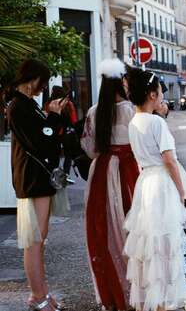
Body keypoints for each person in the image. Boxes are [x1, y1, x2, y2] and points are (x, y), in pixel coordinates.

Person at [123, 67, 186, 311]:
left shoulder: (134, 122)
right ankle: (162, 304)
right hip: (161, 183)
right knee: (164, 244)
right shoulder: (156, 123)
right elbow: (169, 160)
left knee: (150, 245)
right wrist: (181, 192)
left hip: (145, 183)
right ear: (152, 94)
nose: (162, 96)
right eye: (160, 91)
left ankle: (156, 302)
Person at [7, 59, 70, 311]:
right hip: (31, 179)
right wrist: (53, 117)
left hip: (38, 178)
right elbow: (41, 141)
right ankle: (37, 296)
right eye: (42, 83)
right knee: (34, 241)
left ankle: (41, 293)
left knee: (39, 239)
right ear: (33, 79)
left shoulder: (26, 105)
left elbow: (46, 136)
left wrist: (50, 119)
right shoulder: (17, 106)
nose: (42, 88)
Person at [80, 59, 140, 311]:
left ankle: (113, 292)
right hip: (128, 172)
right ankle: (137, 290)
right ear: (121, 82)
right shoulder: (131, 111)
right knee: (134, 229)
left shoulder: (94, 112)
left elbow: (90, 148)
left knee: (104, 231)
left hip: (102, 174)